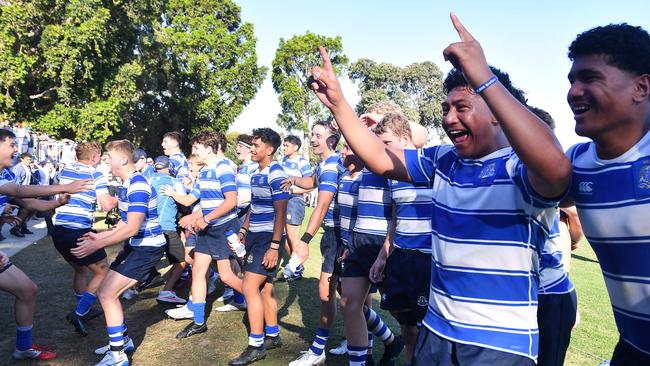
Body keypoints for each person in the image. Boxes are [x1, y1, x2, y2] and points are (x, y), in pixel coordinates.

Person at [308, 12, 571, 365]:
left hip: (499, 347)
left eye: (462, 107)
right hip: (437, 333)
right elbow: (377, 156)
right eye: (446, 108)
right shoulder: (442, 160)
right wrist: (339, 104)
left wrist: (485, 78)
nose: (448, 118)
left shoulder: (521, 168)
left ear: (497, 111)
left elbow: (555, 169)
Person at [563, 23, 650, 365]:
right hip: (631, 348)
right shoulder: (577, 162)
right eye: (571, 81)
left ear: (641, 87)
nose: (573, 91)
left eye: (589, 78)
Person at [72, 139, 166, 366]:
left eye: (109, 157)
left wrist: (97, 244)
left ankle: (118, 355)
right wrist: (100, 237)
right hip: (137, 246)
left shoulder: (138, 185)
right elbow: (125, 225)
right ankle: (122, 342)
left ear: (123, 159)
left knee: (107, 294)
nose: (106, 161)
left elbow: (132, 227)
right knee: (105, 291)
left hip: (148, 247)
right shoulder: (128, 184)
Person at [368, 113, 433, 366]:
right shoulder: (393, 177)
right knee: (407, 330)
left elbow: (421, 132)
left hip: (428, 260)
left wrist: (376, 117)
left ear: (405, 139)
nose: (380, 150)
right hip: (401, 258)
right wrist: (382, 258)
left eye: (386, 143)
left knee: (426, 332)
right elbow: (395, 222)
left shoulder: (430, 165)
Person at [283, 121, 345, 366]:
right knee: (348, 296)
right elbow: (312, 182)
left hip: (338, 236)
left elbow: (322, 205)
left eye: (318, 135)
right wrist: (294, 179)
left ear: (332, 139)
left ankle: (318, 350)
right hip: (332, 236)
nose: (313, 139)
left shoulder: (331, 166)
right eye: (312, 135)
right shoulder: (325, 165)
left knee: (326, 293)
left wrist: (304, 240)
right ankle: (386, 339)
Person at [174, 131, 244, 339]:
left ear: (209, 148)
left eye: (196, 147)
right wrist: (195, 217)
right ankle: (198, 322)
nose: (193, 151)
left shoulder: (224, 167)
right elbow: (199, 201)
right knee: (198, 270)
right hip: (207, 229)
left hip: (223, 228)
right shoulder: (203, 171)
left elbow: (231, 201)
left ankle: (256, 299)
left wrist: (204, 219)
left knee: (227, 276)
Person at [229, 128, 288, 366]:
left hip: (268, 238)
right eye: (251, 145)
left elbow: (281, 212)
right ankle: (272, 335)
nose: (252, 149)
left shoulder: (277, 173)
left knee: (249, 287)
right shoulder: (256, 174)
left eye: (256, 145)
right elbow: (254, 207)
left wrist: (274, 246)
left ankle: (256, 345)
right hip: (254, 235)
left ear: (270, 150)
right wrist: (243, 231)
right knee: (265, 288)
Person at [52, 141, 119, 337]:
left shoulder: (65, 170)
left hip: (59, 230)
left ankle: (85, 309)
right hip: (77, 230)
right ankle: (79, 313)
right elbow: (106, 205)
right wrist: (121, 197)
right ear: (94, 158)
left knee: (80, 269)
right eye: (99, 157)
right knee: (102, 270)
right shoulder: (95, 173)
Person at [149, 155, 188, 305]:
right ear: (170, 167)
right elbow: (185, 204)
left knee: (145, 261)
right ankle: (167, 291)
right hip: (166, 227)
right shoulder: (174, 182)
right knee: (181, 261)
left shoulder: (147, 179)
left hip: (149, 226)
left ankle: (130, 288)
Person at [280, 134, 313, 281]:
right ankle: (296, 266)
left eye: (287, 145)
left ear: (296, 147)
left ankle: (296, 268)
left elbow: (310, 186)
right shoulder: (282, 161)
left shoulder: (303, 163)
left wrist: (292, 190)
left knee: (293, 238)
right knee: (286, 237)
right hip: (282, 201)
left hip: (294, 201)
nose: (284, 147)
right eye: (284, 145)